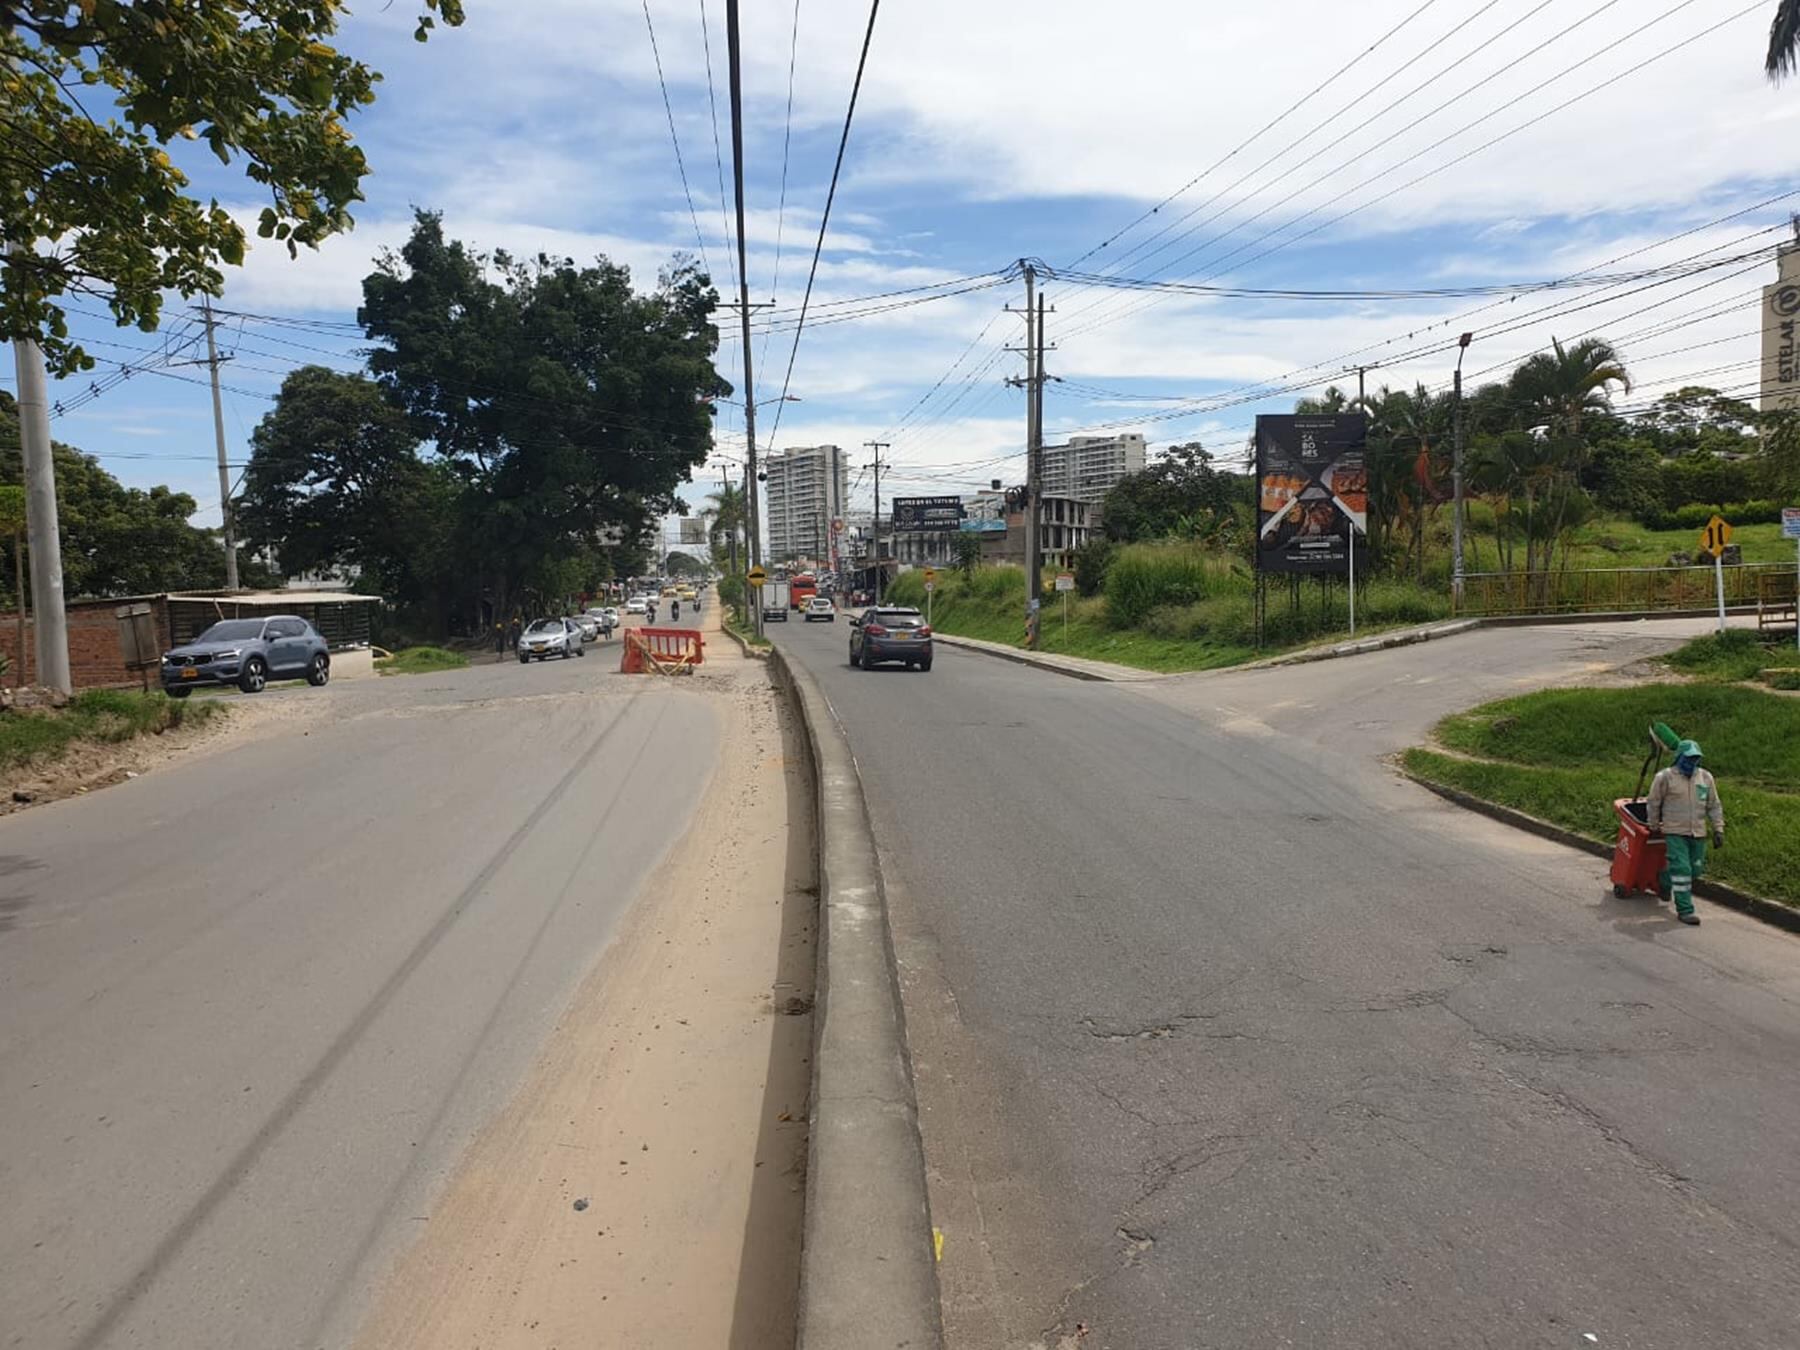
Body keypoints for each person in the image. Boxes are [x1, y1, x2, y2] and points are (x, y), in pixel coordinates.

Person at [1647, 739, 1724, 927]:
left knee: (1695, 870)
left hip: (1697, 832)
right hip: (1675, 831)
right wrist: (1654, 825)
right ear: (1679, 757)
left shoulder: (1705, 778)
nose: (1692, 762)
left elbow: (1714, 805)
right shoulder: (1665, 777)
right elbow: (1653, 802)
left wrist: (1718, 828)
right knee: (1682, 870)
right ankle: (1685, 910)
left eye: (1696, 759)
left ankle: (1664, 878)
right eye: (1688, 758)